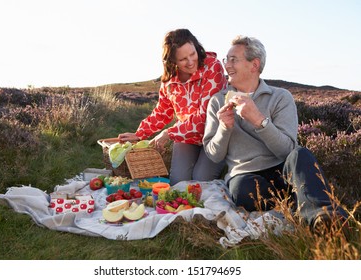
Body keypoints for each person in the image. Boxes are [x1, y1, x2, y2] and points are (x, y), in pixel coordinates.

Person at [203, 35, 348, 232]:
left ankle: (323, 218)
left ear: (254, 65)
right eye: (226, 59)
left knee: (301, 154)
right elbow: (214, 155)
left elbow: (287, 150)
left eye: (233, 60)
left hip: (283, 170)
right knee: (241, 191)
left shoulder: (280, 97)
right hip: (245, 176)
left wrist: (259, 120)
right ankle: (302, 203)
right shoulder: (217, 101)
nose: (226, 65)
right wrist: (224, 128)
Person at [119, 28, 228, 185]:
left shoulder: (213, 67)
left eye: (192, 54)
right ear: (172, 61)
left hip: (215, 134)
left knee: (200, 180)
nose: (190, 62)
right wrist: (140, 134)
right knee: (178, 182)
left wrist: (168, 133)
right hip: (187, 137)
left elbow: (204, 117)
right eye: (183, 59)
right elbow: (163, 111)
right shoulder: (169, 80)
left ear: (197, 47)